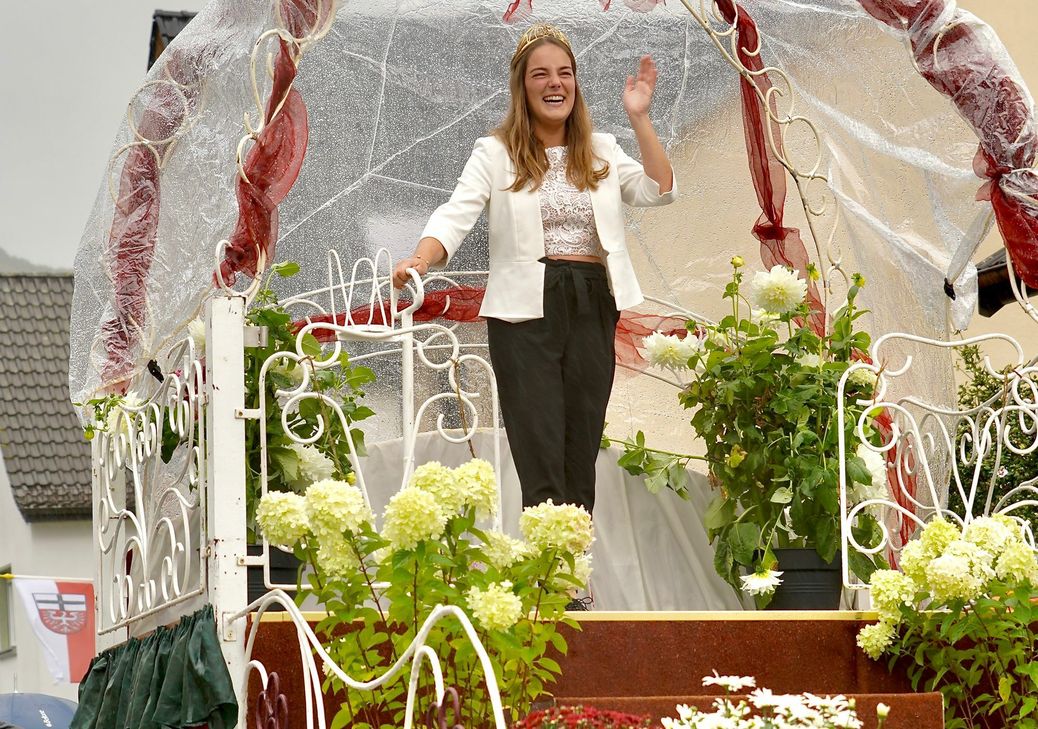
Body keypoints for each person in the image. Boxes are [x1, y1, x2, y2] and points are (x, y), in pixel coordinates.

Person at [393, 22, 676, 517]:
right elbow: (454, 215)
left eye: (565, 73)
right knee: (538, 438)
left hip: (592, 300)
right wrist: (421, 256)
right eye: (541, 74)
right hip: (525, 309)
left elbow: (660, 188)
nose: (554, 83)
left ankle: (576, 574)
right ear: (522, 86)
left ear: (575, 84)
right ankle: (549, 576)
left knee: (581, 441)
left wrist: (640, 118)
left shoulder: (603, 149)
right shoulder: (496, 153)